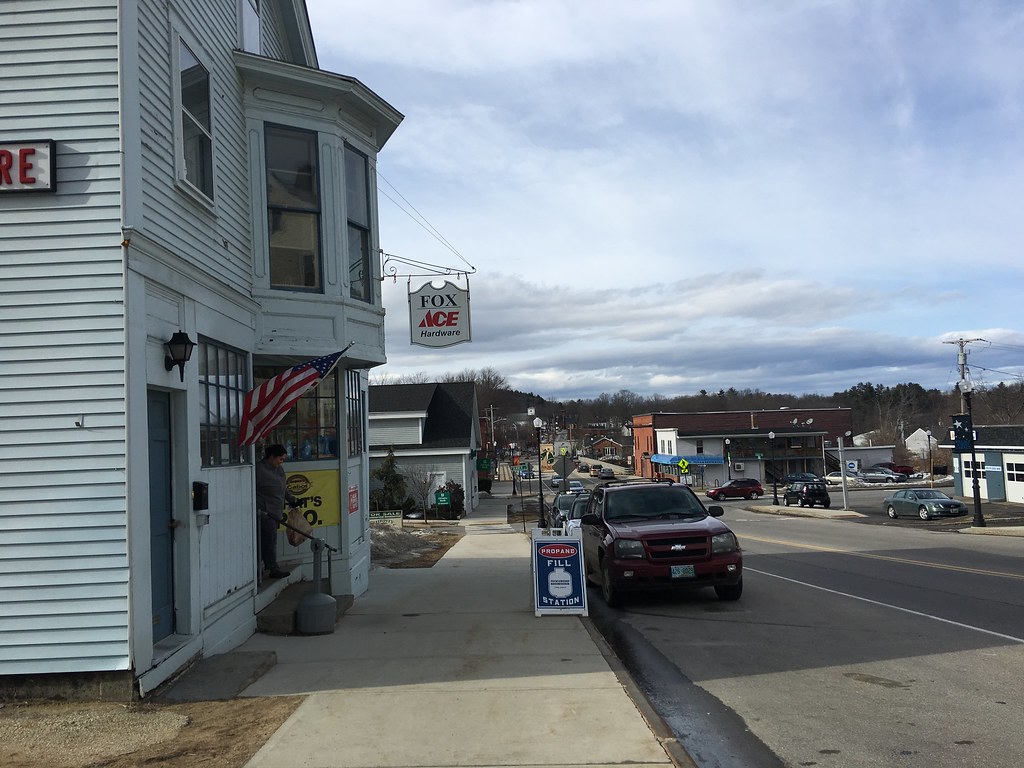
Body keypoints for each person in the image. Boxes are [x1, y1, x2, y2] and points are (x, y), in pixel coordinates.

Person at [255, 444, 299, 578]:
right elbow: (251, 489)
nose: (282, 462)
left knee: (269, 540)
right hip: (264, 512)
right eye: (280, 459)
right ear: (272, 457)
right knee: (268, 540)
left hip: (276, 512)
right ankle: (271, 568)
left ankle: (266, 566)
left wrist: (291, 499)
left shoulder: (279, 470)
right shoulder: (259, 470)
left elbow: (283, 488)